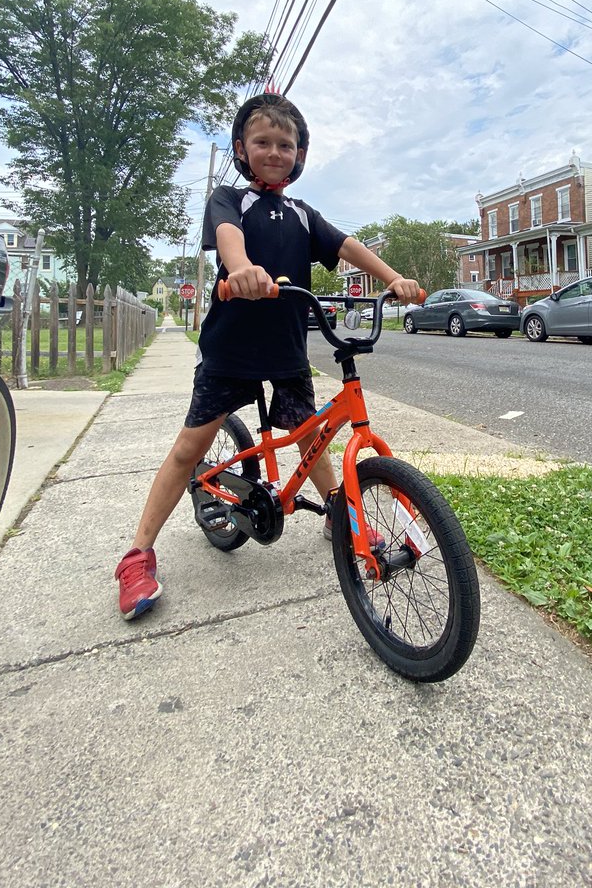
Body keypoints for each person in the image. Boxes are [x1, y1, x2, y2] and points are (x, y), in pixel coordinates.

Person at [115, 92, 421, 619]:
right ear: (243, 148)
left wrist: (393, 278)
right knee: (190, 448)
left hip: (285, 351)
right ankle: (137, 555)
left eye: (286, 144)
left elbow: (348, 247)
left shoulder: (304, 215)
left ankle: (338, 516)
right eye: (263, 142)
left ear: (298, 155)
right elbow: (228, 238)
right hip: (230, 349)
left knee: (312, 441)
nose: (275, 152)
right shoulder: (229, 200)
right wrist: (241, 270)